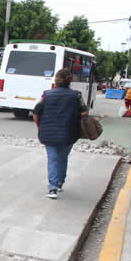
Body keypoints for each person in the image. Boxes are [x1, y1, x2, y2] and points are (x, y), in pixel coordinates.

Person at [33, 68, 89, 200]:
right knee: (63, 157)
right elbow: (85, 111)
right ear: (70, 81)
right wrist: (72, 115)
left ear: (56, 80)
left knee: (52, 158)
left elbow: (36, 111)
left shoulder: (46, 95)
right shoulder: (76, 95)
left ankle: (52, 188)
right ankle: (59, 182)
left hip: (49, 132)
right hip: (69, 132)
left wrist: (39, 126)